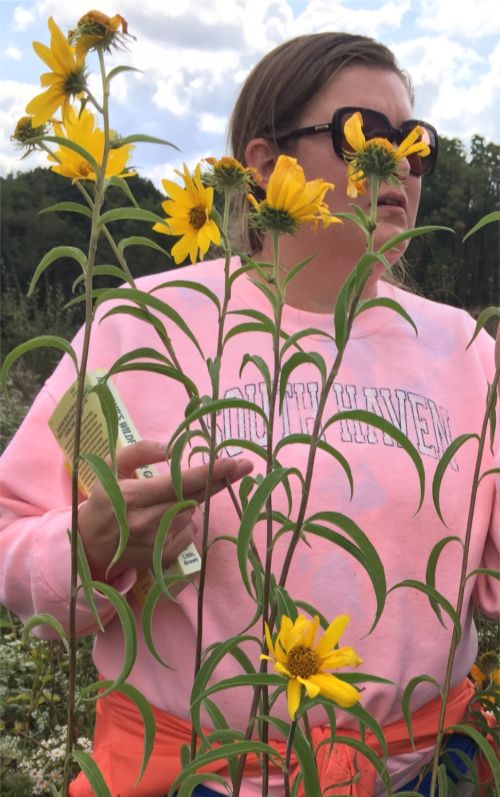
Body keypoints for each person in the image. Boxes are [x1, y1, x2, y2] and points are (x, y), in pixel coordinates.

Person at [1, 31, 498, 797]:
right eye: (364, 134)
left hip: (427, 771)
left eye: (415, 143)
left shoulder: (464, 348)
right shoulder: (139, 327)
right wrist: (85, 545)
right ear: (265, 166)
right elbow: (12, 540)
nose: (397, 160)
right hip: (194, 778)